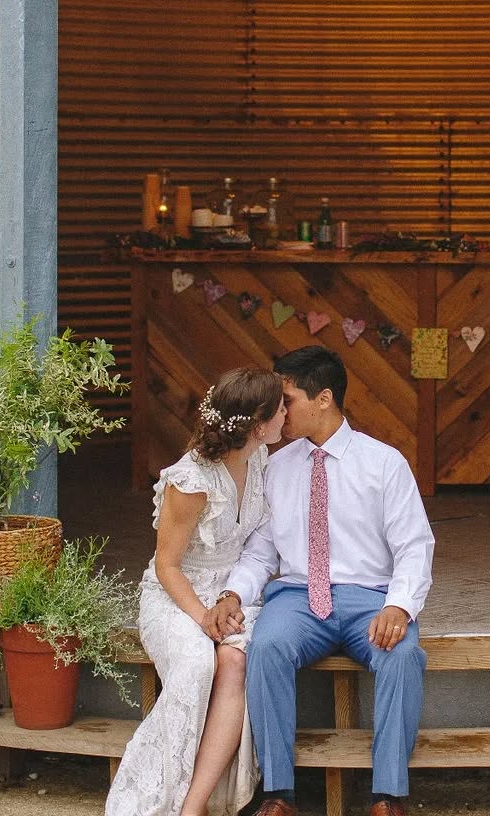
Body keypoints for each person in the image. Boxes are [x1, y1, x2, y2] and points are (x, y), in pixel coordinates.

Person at [219, 346, 435, 816]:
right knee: (267, 647)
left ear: (324, 399)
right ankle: (279, 793)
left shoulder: (384, 463)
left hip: (371, 599)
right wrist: (233, 592)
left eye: (287, 398)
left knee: (402, 656)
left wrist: (398, 606)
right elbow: (261, 550)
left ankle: (387, 796)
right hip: (297, 597)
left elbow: (415, 545)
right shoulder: (274, 466)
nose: (279, 410)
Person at [106, 366, 287, 816]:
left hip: (236, 591)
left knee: (235, 660)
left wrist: (231, 600)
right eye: (281, 407)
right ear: (259, 424)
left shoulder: (260, 458)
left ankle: (194, 805)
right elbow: (167, 566)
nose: (289, 413)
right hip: (177, 594)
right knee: (194, 665)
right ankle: (151, 800)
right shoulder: (191, 482)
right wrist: (202, 615)